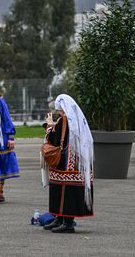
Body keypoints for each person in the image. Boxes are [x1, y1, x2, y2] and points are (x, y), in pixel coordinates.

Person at [41, 94, 94, 233]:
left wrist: (48, 125)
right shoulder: (76, 119)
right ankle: (61, 219)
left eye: (57, 109)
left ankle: (66, 222)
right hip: (76, 163)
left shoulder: (64, 120)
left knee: (64, 190)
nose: (57, 112)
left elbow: (55, 139)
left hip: (65, 163)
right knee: (66, 190)